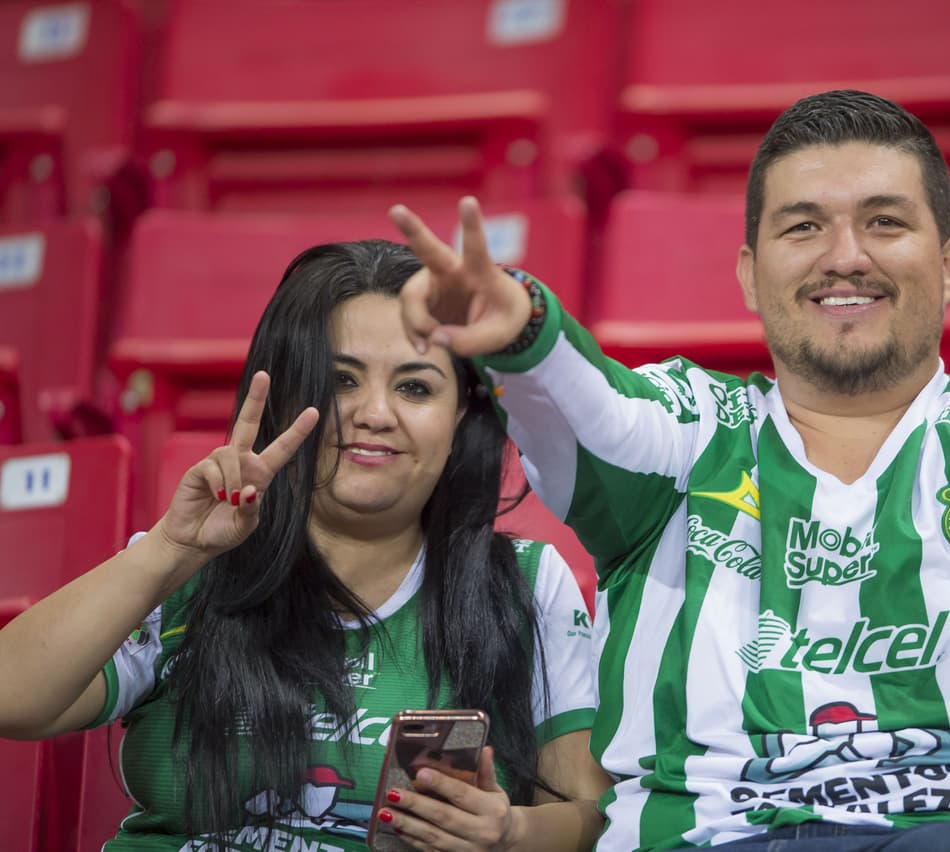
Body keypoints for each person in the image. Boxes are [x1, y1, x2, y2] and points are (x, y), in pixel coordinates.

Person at [387, 89, 950, 851]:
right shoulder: (686, 432)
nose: (845, 256)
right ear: (751, 277)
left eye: (885, 222)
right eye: (803, 226)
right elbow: (582, 404)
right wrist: (517, 327)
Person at [0, 240, 611, 850]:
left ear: (460, 416)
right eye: (340, 380)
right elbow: (11, 698)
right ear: (289, 397)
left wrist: (506, 834)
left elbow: (592, 819)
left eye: (416, 388)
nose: (374, 413)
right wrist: (170, 549)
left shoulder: (527, 585)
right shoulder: (183, 563)